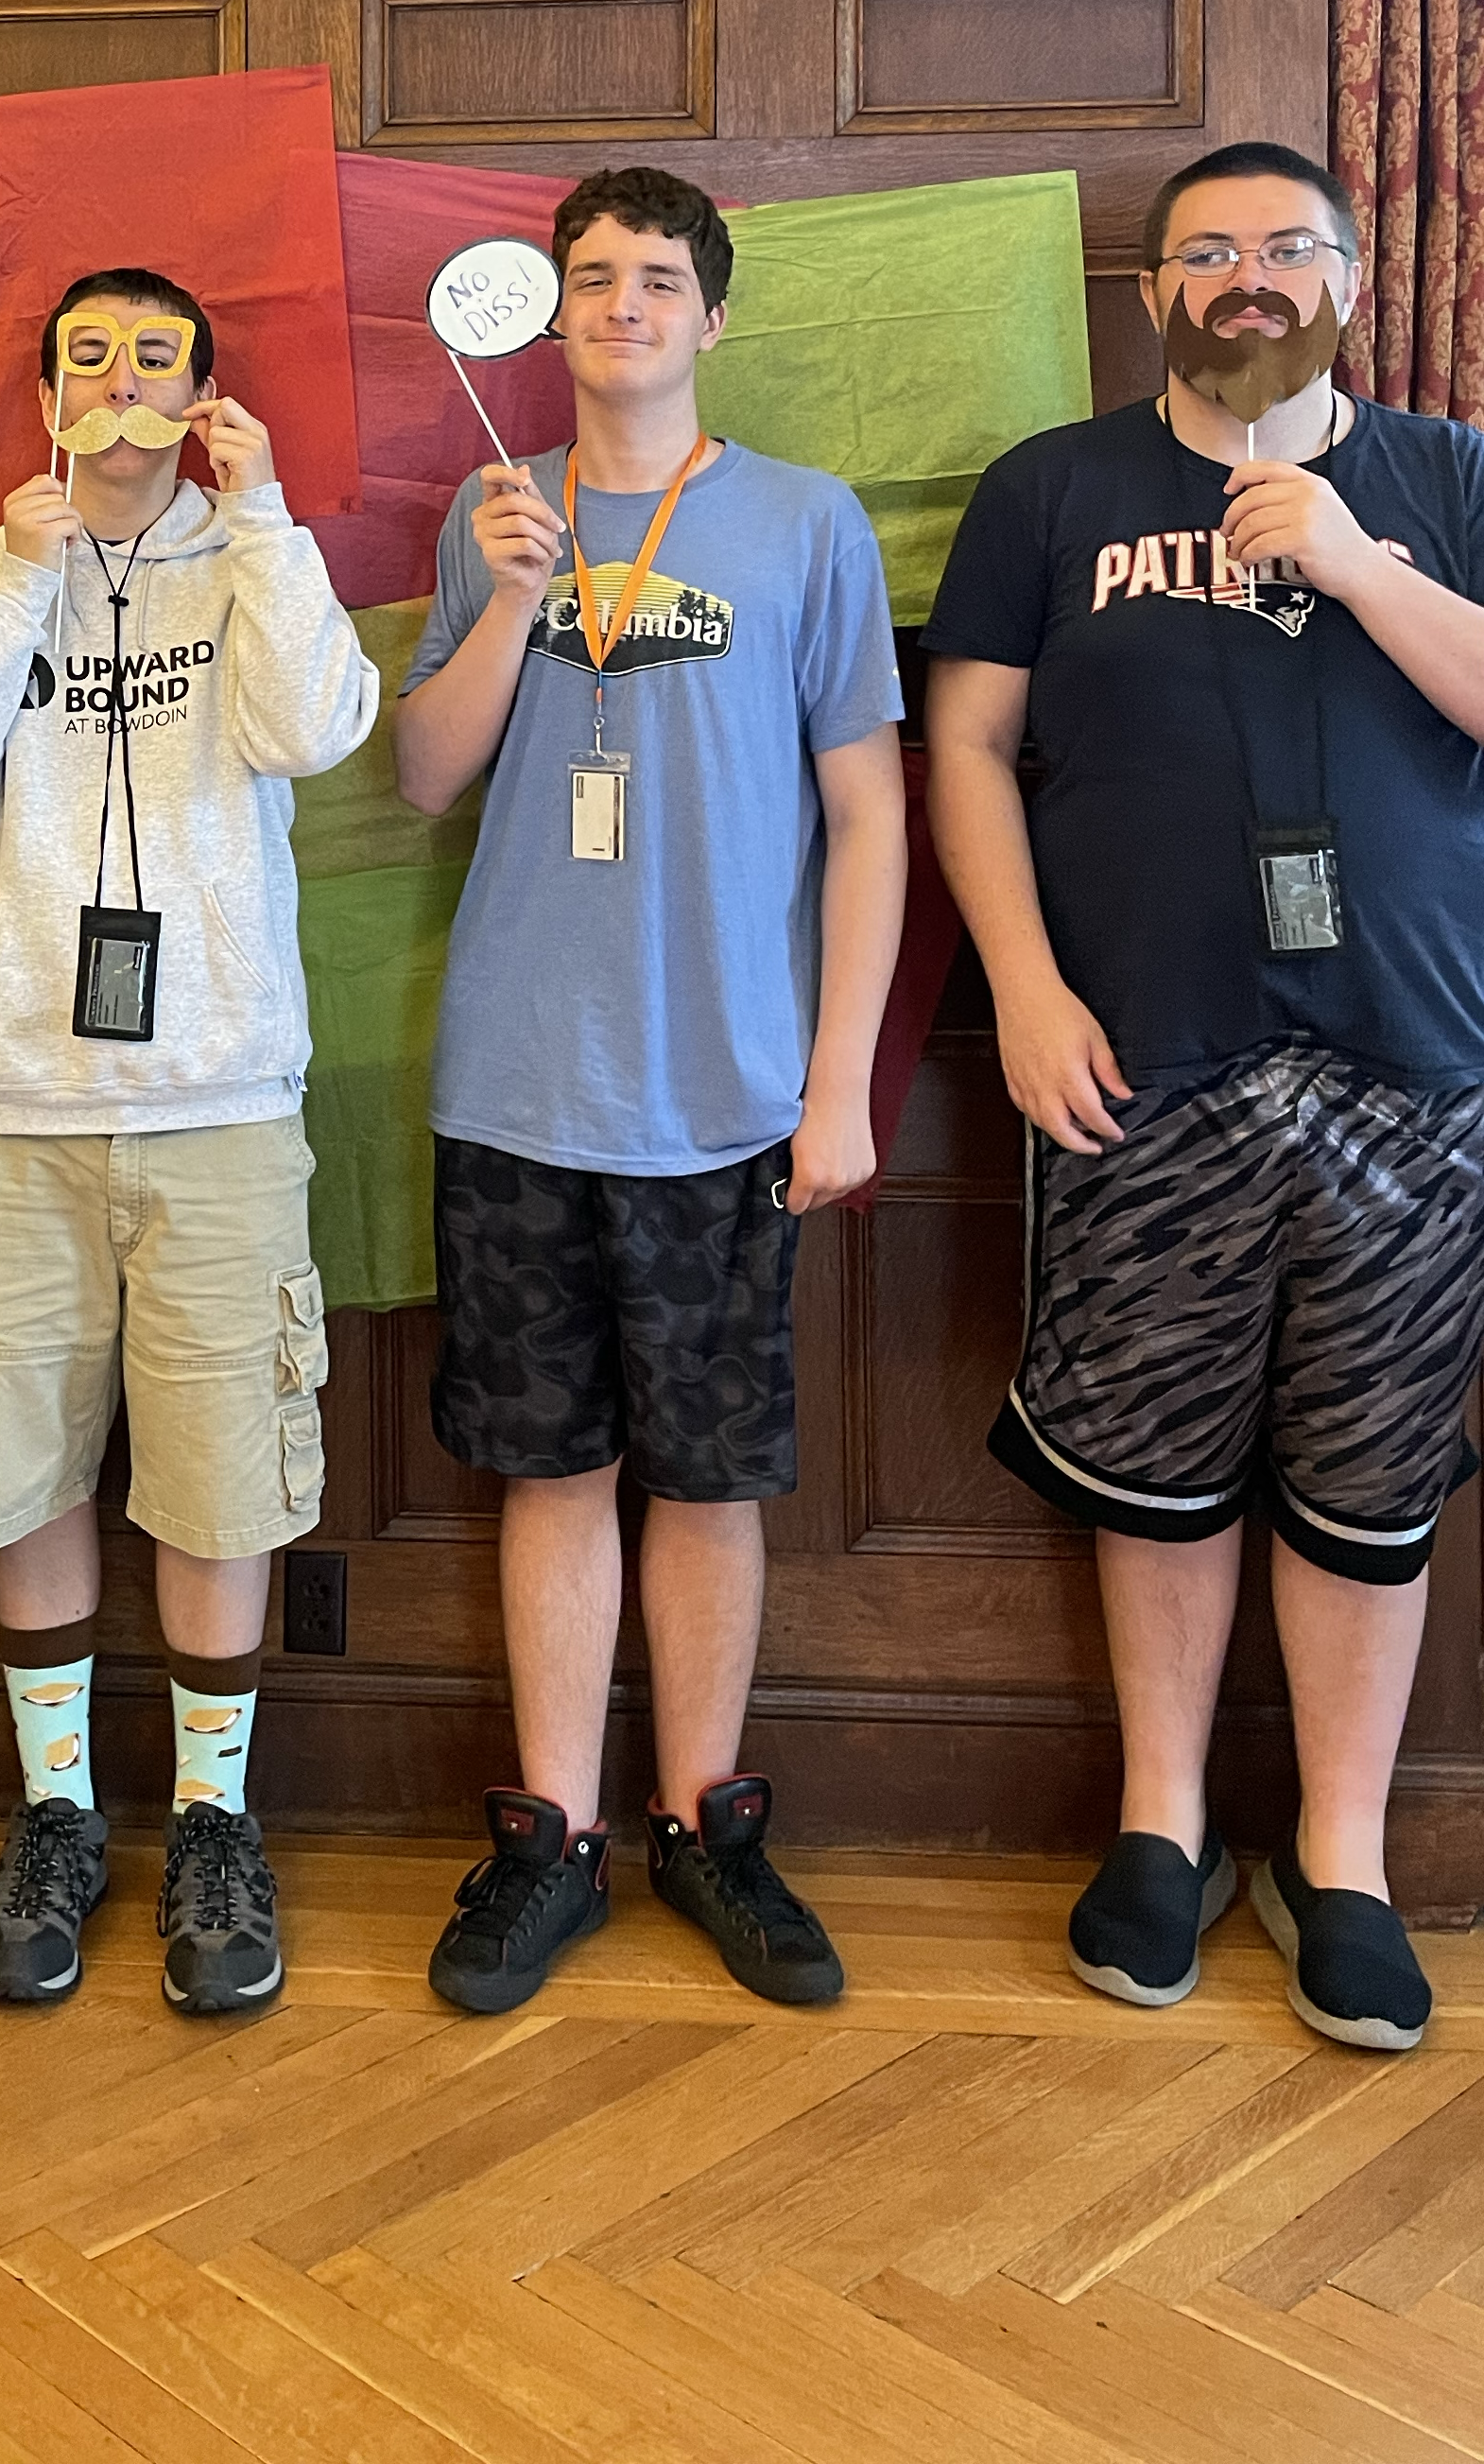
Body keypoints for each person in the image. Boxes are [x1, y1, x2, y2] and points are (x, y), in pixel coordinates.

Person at [925, 140, 1484, 2055]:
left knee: (1370, 1481)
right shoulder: (1052, 489)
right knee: (1151, 1471)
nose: (1248, 278)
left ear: (1347, 274)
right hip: (1138, 1063)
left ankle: (1344, 1860)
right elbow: (969, 748)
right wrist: (1015, 981)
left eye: (1286, 249)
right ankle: (1161, 1829)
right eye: (1208, 253)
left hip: (1412, 1065)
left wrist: (1342, 553)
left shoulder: (1449, 476)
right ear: (1155, 289)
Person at [394, 168, 907, 2016]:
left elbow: (871, 811)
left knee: (705, 1478)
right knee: (553, 1466)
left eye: (658, 279)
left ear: (712, 317)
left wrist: (839, 1079)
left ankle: (708, 1823)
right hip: (522, 1083)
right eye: (591, 278)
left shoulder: (804, 524)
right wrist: (504, 607)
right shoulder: (497, 512)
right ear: (549, 312)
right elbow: (430, 778)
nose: (623, 305)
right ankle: (559, 1836)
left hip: (727, 1091)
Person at [0, 269, 377, 2014]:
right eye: (90, 357)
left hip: (222, 1099)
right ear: (51, 395)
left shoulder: (252, 558)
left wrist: (269, 519)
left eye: (158, 358)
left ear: (205, 389)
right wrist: (20, 574)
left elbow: (315, 731)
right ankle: (59, 1809)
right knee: (20, 1461)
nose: (124, 383)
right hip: (10, 1104)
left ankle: (215, 1822)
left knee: (225, 1468)